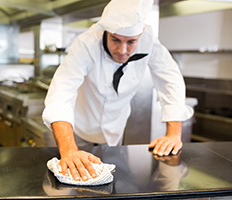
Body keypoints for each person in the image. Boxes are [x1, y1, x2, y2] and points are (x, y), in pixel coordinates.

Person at [42, 0, 193, 182]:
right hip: (77, 131)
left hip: (115, 133)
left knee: (115, 184)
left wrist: (173, 134)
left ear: (141, 33)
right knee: (71, 186)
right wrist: (69, 150)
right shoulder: (86, 43)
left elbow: (171, 79)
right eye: (115, 39)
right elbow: (62, 92)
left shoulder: (149, 41)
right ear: (105, 32)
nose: (122, 50)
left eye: (131, 42)